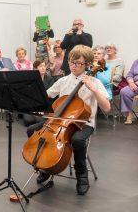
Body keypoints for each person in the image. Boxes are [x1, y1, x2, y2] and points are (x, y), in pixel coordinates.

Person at [26, 45, 110, 195]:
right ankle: (45, 167)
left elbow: (107, 107)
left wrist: (93, 89)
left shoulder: (94, 82)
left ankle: (82, 175)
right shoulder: (63, 81)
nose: (73, 66)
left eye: (78, 63)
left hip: (83, 123)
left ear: (87, 64)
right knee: (31, 130)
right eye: (71, 62)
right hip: (59, 121)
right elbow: (47, 95)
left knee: (77, 140)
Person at [22, 59, 54, 126]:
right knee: (28, 121)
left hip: (44, 105)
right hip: (32, 105)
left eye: (44, 66)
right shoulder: (30, 78)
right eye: (40, 66)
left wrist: (42, 108)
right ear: (35, 68)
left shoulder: (50, 79)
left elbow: (49, 96)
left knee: (40, 121)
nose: (43, 68)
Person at [121, 45, 138, 125]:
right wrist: (131, 83)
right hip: (135, 86)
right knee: (124, 91)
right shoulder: (136, 62)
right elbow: (129, 74)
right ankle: (129, 114)